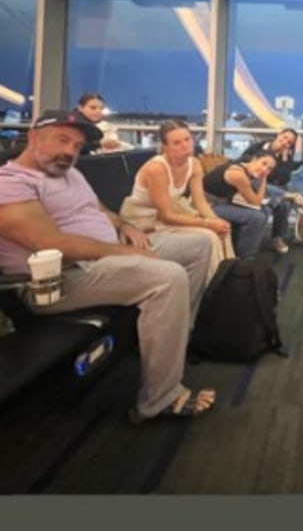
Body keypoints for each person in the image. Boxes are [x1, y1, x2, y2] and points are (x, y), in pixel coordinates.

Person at [0, 111, 217, 422]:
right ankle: (160, 399)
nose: (70, 151)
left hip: (108, 254)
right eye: (62, 140)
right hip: (58, 280)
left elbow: (98, 209)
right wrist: (125, 253)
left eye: (76, 145)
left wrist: (125, 225)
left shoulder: (69, 173)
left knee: (199, 245)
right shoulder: (11, 184)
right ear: (33, 136)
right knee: (168, 277)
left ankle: (178, 335)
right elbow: (52, 245)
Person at [119, 119, 233, 284]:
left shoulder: (194, 164)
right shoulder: (157, 168)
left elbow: (200, 201)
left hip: (172, 211)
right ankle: (211, 288)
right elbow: (166, 216)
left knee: (222, 231)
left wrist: (215, 221)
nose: (185, 145)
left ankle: (226, 280)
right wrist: (207, 224)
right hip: (145, 217)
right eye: (177, 143)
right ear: (166, 147)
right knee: (209, 236)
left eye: (187, 139)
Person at [237, 128, 303, 252]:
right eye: (284, 137)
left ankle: (278, 238)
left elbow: (284, 179)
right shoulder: (258, 148)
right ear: (278, 135)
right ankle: (289, 195)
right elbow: (242, 162)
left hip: (274, 187)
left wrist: (283, 160)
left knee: (284, 204)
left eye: (289, 142)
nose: (285, 142)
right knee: (268, 205)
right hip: (254, 184)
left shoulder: (286, 156)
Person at [203, 151, 278, 258]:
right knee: (257, 217)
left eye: (269, 169)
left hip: (222, 201)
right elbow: (256, 201)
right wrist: (264, 178)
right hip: (208, 205)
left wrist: (262, 176)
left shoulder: (246, 169)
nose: (265, 169)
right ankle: (246, 257)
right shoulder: (238, 174)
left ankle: (249, 246)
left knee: (265, 210)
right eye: (264, 163)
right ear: (254, 159)